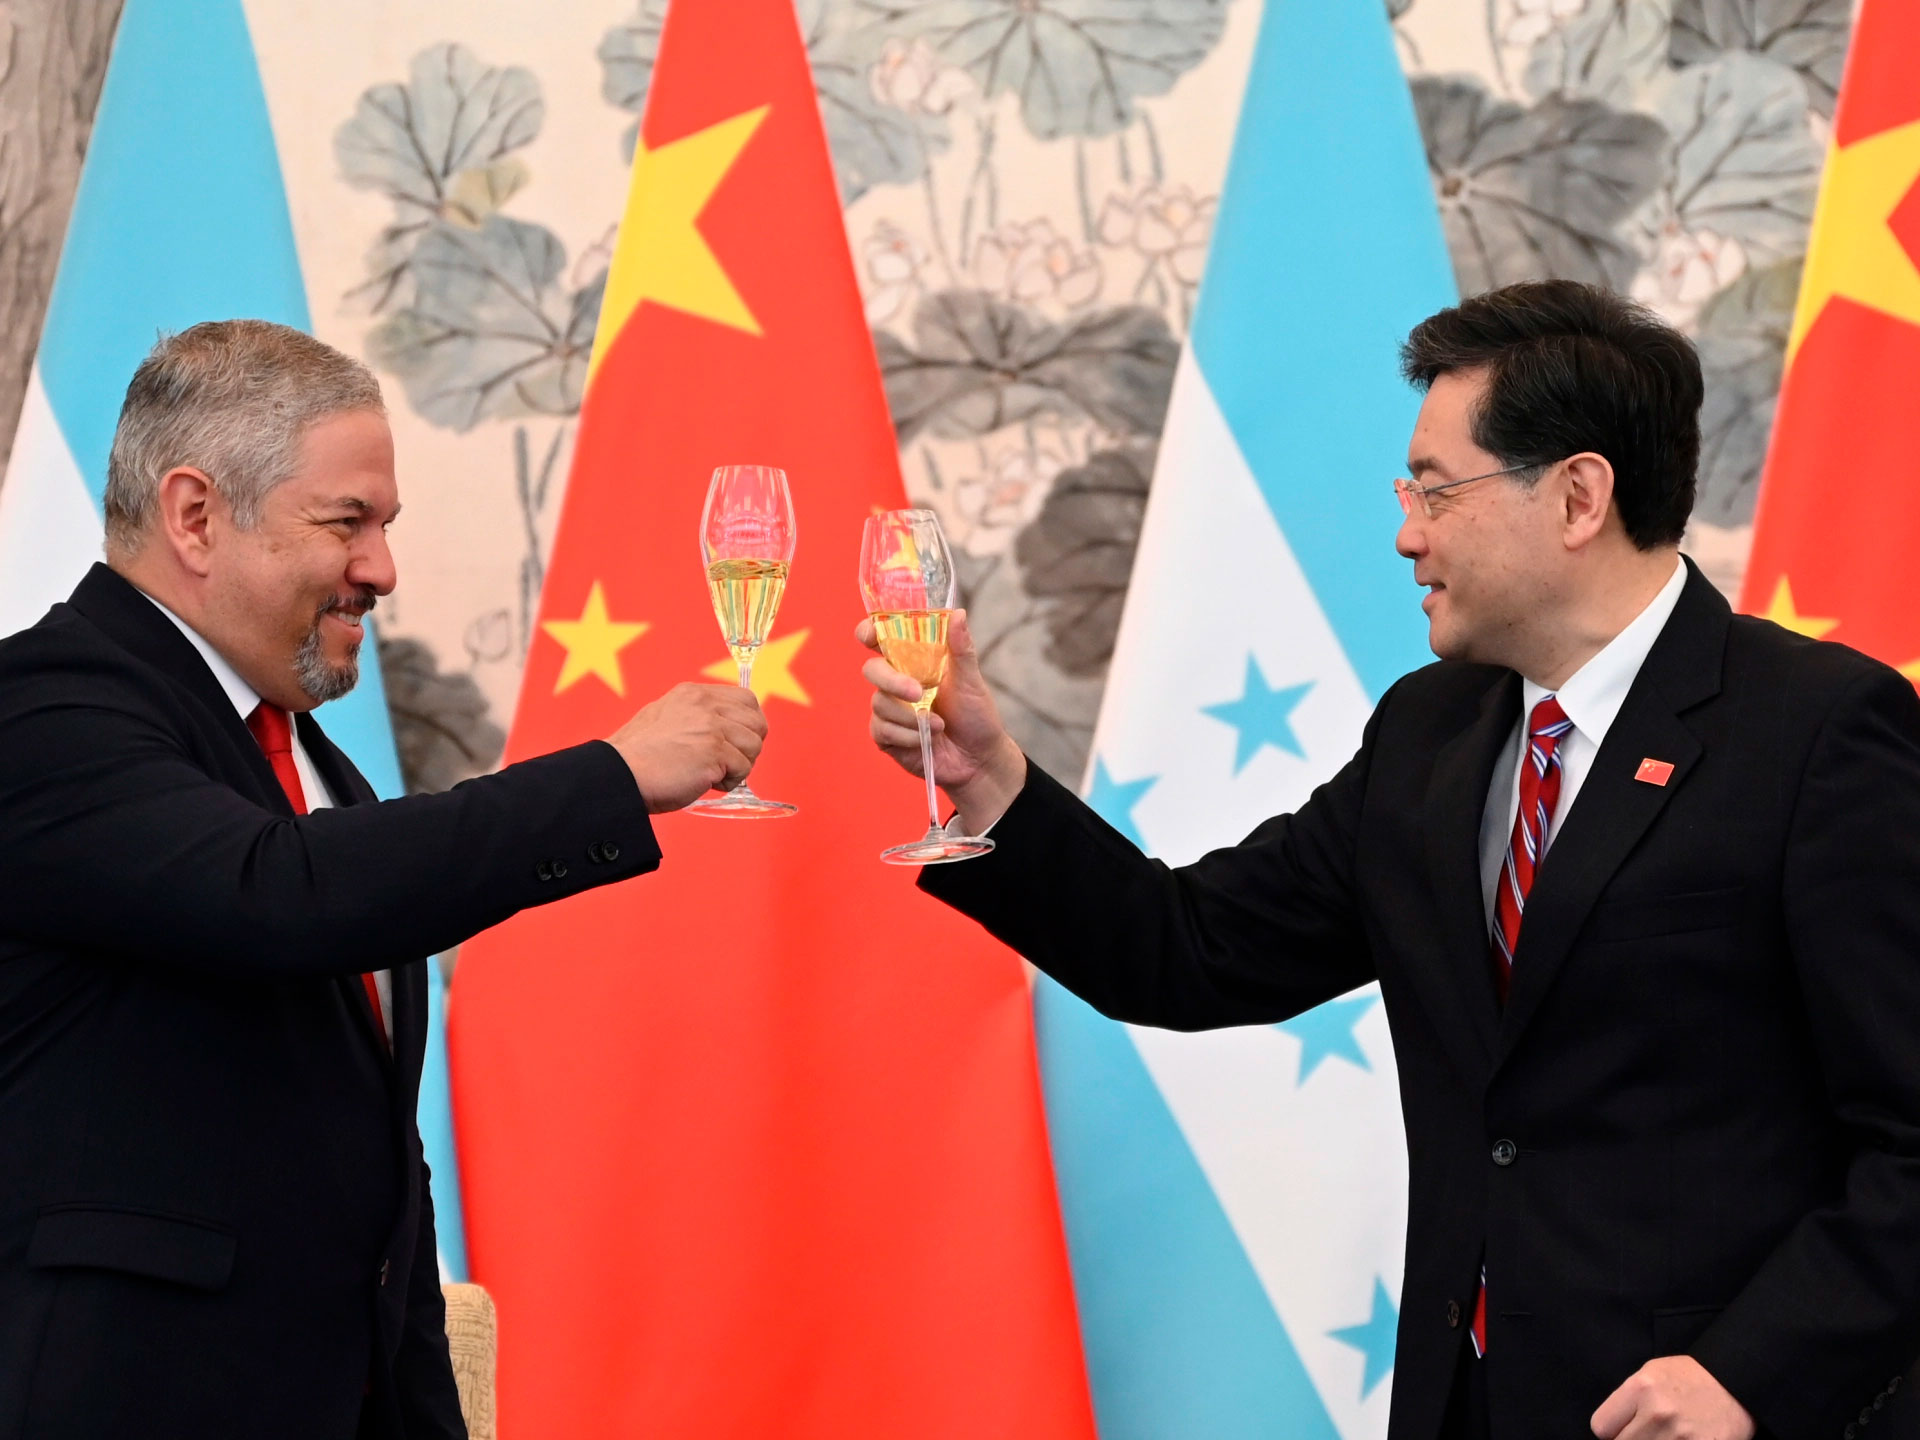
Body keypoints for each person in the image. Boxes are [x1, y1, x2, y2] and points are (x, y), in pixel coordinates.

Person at [862, 281, 1920, 1440]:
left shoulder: (1820, 731)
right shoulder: (1431, 732)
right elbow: (1188, 950)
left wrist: (1750, 1378)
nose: (1408, 533)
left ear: (1578, 497)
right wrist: (991, 782)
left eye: (1436, 489)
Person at [0, 321, 766, 1440]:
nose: (382, 570)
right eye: (346, 522)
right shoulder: (41, 706)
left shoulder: (314, 764)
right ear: (195, 515)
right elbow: (277, 897)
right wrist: (610, 777)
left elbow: (378, 1176)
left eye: (387, 526)